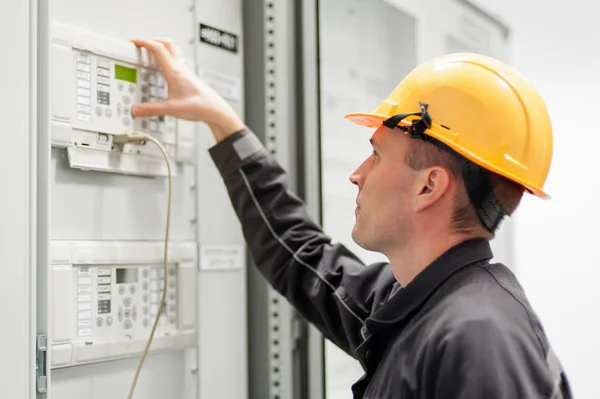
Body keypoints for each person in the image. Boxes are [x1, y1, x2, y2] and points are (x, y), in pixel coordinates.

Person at [130, 38, 572, 398]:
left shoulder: (475, 339)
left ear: (429, 187)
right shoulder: (420, 301)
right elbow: (302, 258)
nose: (357, 174)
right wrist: (220, 119)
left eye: (377, 156)